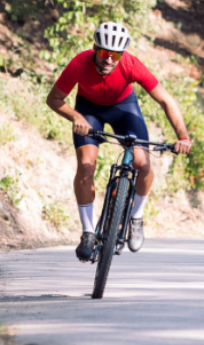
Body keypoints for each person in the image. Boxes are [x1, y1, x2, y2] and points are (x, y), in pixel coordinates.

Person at [45, 22, 192, 261]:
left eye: (116, 55)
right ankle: (88, 233)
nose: (109, 60)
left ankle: (136, 217)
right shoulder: (79, 64)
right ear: (95, 48)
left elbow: (167, 101)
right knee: (86, 164)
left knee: (142, 163)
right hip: (88, 110)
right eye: (104, 53)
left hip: (124, 109)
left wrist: (183, 137)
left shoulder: (131, 65)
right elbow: (54, 99)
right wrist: (75, 116)